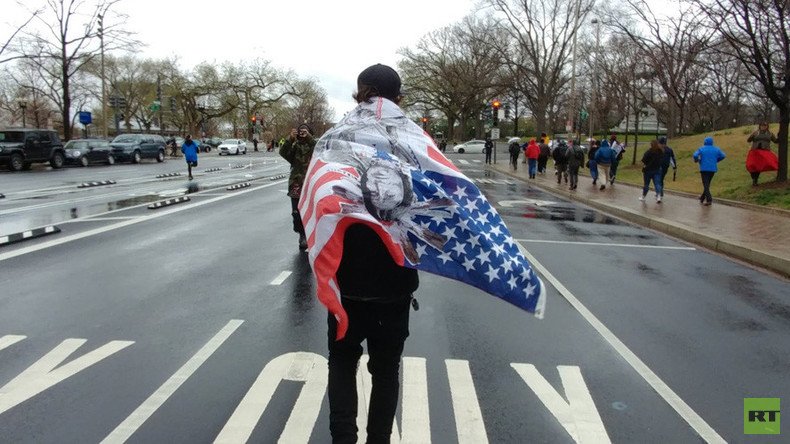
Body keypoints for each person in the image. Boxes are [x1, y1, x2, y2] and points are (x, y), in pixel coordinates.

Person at [324, 63, 419, 444]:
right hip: (394, 280)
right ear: (398, 98)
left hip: (345, 277)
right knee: (386, 369)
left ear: (359, 92)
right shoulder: (417, 142)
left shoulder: (334, 140)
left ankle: (342, 438)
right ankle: (379, 439)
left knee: (343, 362)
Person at [280, 123, 316, 250]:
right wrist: (290, 139)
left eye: (305, 131)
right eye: (301, 131)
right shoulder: (295, 146)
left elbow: (318, 150)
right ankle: (302, 235)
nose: (302, 133)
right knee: (296, 213)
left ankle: (313, 234)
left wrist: (309, 137)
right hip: (296, 183)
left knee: (312, 211)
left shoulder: (313, 144)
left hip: (311, 183)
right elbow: (283, 152)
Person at [693, 136, 726, 206]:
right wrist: (716, 160)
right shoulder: (716, 149)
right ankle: (702, 198)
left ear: (705, 142)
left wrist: (697, 160)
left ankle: (709, 199)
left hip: (704, 169)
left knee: (705, 184)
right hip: (712, 169)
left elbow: (695, 155)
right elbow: (723, 155)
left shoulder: (701, 149)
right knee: (707, 184)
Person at [746, 121, 779, 186]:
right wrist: (752, 135)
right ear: (760, 126)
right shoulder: (756, 133)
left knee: (759, 166)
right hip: (755, 152)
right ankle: (754, 179)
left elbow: (775, 141)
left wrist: (779, 136)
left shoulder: (770, 134)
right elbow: (748, 140)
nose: (763, 127)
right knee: (751, 166)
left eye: (765, 125)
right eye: (762, 125)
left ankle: (755, 180)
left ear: (767, 126)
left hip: (764, 152)